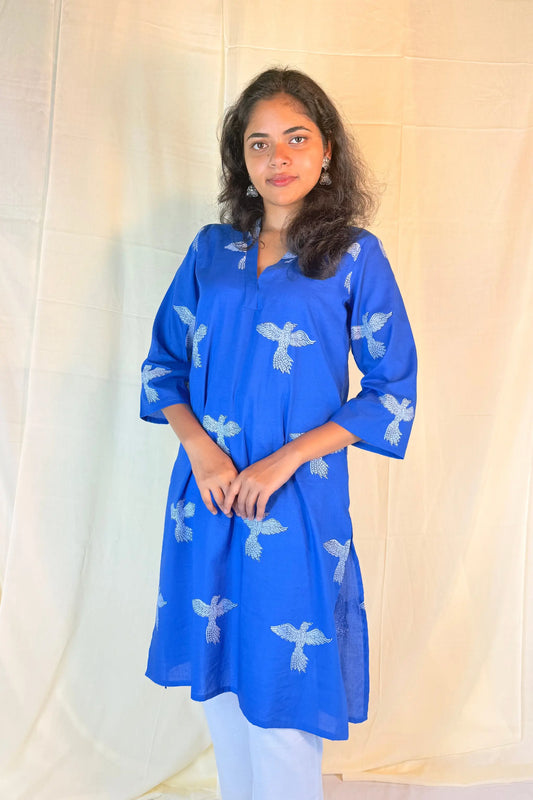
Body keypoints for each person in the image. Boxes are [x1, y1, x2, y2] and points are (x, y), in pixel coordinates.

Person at [140, 67, 417, 800]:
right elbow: (162, 365)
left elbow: (391, 390)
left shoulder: (354, 256)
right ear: (242, 159)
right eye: (258, 143)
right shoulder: (210, 252)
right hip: (208, 493)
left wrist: (284, 460)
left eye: (296, 138)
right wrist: (200, 450)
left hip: (297, 503)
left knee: (282, 695)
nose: (278, 157)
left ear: (326, 151)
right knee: (224, 679)